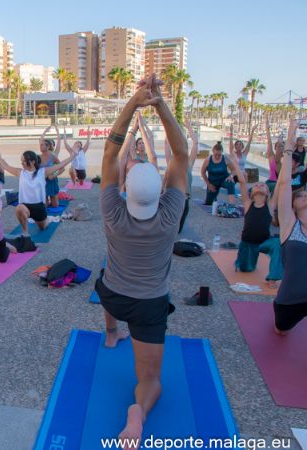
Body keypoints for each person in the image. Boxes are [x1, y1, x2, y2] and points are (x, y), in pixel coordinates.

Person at [95, 75, 188, 447]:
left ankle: (110, 331)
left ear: (126, 191)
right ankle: (139, 411)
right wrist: (160, 103)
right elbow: (181, 155)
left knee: (102, 282)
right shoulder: (169, 215)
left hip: (114, 295)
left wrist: (134, 102)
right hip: (150, 304)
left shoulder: (112, 211)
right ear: (160, 194)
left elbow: (109, 151)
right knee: (150, 380)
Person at [0, 147, 75, 237]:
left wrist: (73, 156)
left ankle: (49, 219)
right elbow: (5, 166)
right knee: (19, 208)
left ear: (32, 162)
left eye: (24, 161)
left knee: (43, 227)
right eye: (22, 161)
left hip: (39, 207)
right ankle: (25, 233)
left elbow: (61, 165)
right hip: (25, 205)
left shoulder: (43, 172)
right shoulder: (20, 172)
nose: (22, 163)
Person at [273, 120, 307, 335]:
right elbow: (285, 183)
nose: (304, 196)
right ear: (293, 204)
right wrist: (290, 144)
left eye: (306, 193)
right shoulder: (290, 225)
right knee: (280, 331)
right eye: (300, 195)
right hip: (290, 300)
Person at [230, 157, 282, 289]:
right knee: (246, 269)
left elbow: (280, 184)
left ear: (267, 193)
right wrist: (235, 162)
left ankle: (273, 277)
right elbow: (242, 182)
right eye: (257, 185)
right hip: (247, 244)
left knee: (278, 244)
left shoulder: (270, 206)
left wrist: (285, 161)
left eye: (263, 185)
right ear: (251, 193)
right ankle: (243, 261)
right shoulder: (248, 204)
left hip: (264, 242)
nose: (260, 185)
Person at [164, 116, 200, 234]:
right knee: (171, 230)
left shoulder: (189, 162)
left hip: (185, 201)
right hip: (172, 200)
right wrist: (169, 127)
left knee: (178, 230)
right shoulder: (171, 162)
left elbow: (195, 143)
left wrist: (189, 127)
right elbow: (167, 143)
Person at [200, 141, 236, 206]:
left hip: (223, 180)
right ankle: (214, 198)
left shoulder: (225, 158)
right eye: (215, 154)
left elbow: (233, 170)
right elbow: (202, 173)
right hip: (212, 183)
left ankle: (232, 204)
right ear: (213, 152)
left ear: (222, 152)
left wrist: (231, 176)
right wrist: (208, 184)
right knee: (208, 203)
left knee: (230, 183)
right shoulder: (208, 159)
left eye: (219, 155)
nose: (217, 156)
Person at [39, 125, 62, 208]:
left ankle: (53, 198)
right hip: (43, 181)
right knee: (44, 206)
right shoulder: (40, 155)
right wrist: (45, 131)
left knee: (55, 205)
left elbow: (59, 142)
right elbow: (41, 140)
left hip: (51, 179)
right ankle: (46, 200)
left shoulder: (54, 154)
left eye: (52, 143)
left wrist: (58, 132)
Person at [265, 116, 284, 194]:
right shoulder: (272, 156)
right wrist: (267, 129)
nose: (281, 147)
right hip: (272, 182)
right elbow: (269, 142)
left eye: (283, 146)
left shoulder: (287, 158)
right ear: (275, 148)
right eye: (279, 146)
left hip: (282, 183)